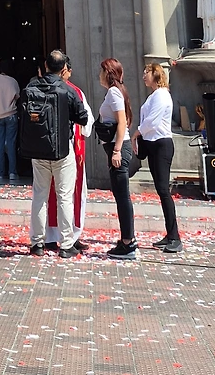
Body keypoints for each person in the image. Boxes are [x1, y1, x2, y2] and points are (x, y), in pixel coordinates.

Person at [21, 49, 91, 257]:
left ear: (46, 66)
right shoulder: (67, 90)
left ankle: (37, 243)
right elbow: (83, 117)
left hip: (38, 148)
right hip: (62, 149)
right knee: (64, 196)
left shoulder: (31, 86)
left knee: (39, 196)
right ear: (63, 69)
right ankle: (67, 244)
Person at [45, 55, 92, 248]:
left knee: (44, 194)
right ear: (65, 70)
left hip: (44, 149)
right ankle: (68, 239)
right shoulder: (74, 92)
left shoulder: (38, 87)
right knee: (67, 195)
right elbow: (86, 123)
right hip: (68, 150)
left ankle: (47, 238)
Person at [134, 63, 181, 252]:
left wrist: (136, 133)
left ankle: (175, 236)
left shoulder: (162, 94)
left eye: (147, 72)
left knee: (163, 190)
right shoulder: (153, 95)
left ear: (156, 74)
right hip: (152, 144)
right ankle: (170, 234)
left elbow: (152, 121)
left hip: (162, 144)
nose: (144, 75)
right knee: (161, 191)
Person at [97, 58, 138, 258]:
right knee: (120, 195)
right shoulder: (115, 92)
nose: (99, 75)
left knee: (122, 196)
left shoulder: (114, 92)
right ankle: (127, 239)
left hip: (118, 148)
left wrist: (117, 150)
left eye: (101, 71)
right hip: (115, 147)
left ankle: (128, 242)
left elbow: (122, 122)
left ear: (108, 73)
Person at [0, 63, 21, 186]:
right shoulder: (13, 81)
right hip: (11, 114)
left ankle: (0, 172)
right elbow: (17, 97)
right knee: (11, 144)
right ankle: (12, 172)